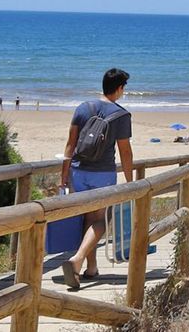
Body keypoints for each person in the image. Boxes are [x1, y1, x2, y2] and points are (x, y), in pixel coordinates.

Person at [59, 68, 134, 289]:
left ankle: (91, 268)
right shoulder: (122, 115)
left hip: (78, 171)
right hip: (103, 174)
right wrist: (130, 181)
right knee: (100, 220)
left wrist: (64, 175)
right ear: (119, 88)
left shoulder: (83, 108)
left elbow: (70, 144)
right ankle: (78, 259)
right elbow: (125, 152)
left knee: (86, 219)